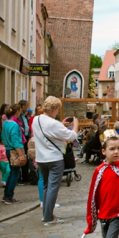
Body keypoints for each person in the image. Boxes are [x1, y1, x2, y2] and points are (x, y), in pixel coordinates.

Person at [32, 96, 78, 226]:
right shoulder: (54, 123)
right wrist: (75, 125)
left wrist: (60, 125)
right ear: (53, 109)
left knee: (46, 186)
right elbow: (71, 136)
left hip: (41, 159)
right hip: (54, 159)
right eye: (57, 109)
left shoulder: (36, 120)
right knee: (53, 188)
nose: (57, 112)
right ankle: (48, 217)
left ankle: (46, 214)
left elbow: (47, 131)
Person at [0, 104, 26, 204]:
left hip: (7, 149)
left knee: (11, 173)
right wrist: (20, 155)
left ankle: (6, 195)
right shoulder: (14, 124)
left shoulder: (5, 122)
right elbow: (15, 141)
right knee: (15, 174)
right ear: (16, 112)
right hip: (14, 150)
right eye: (19, 111)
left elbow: (3, 135)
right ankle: (9, 197)